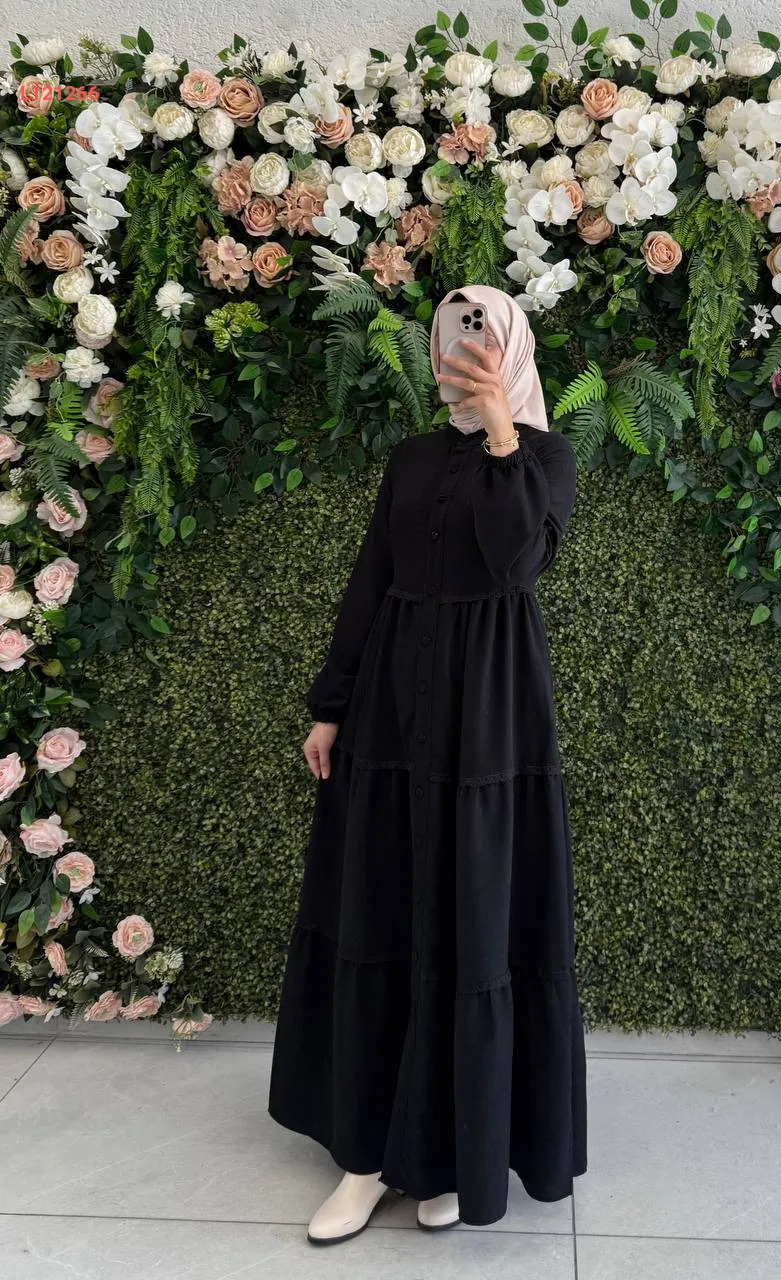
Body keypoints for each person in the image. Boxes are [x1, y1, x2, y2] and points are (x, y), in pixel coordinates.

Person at [268, 283, 587, 1244]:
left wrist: (501, 432)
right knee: (383, 908)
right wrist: (331, 705)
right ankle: (367, 1161)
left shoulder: (546, 457)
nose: (464, 349)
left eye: (480, 333)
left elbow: (515, 565)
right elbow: (371, 577)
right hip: (390, 710)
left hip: (491, 721)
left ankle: (454, 1152)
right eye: (453, 335)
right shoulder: (409, 458)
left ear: (511, 348)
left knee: (474, 918)